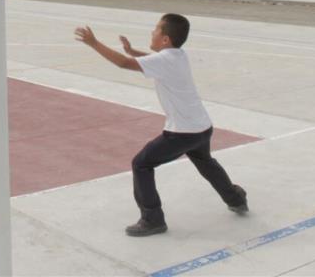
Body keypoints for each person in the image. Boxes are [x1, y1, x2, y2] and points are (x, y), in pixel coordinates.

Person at [74, 14, 248, 237]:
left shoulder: (164, 60)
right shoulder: (178, 55)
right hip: (202, 128)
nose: (152, 32)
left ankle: (152, 219)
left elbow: (124, 64)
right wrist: (134, 51)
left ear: (165, 39)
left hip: (182, 133)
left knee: (141, 164)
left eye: (155, 30)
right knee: (206, 163)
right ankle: (236, 199)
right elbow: (151, 61)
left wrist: (94, 43)